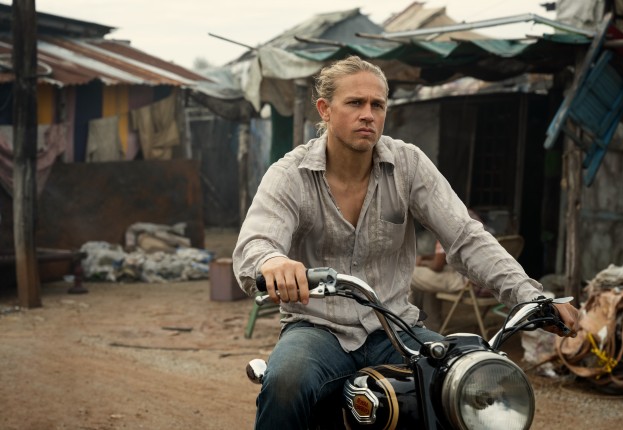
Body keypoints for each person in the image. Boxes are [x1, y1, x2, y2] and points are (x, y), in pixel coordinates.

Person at [232, 55, 579, 429]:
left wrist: (529, 296)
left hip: (394, 329)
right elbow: (256, 242)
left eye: (377, 105)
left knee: (465, 382)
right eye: (355, 103)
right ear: (325, 109)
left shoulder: (408, 165)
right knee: (286, 383)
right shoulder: (290, 174)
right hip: (316, 330)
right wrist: (272, 262)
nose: (368, 114)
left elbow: (466, 237)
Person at [409, 209, 490, 331]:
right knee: (427, 282)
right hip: (485, 280)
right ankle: (432, 327)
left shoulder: (446, 222)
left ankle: (407, 326)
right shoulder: (470, 216)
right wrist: (425, 259)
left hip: (466, 282)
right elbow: (447, 257)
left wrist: (421, 262)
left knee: (408, 275)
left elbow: (437, 265)